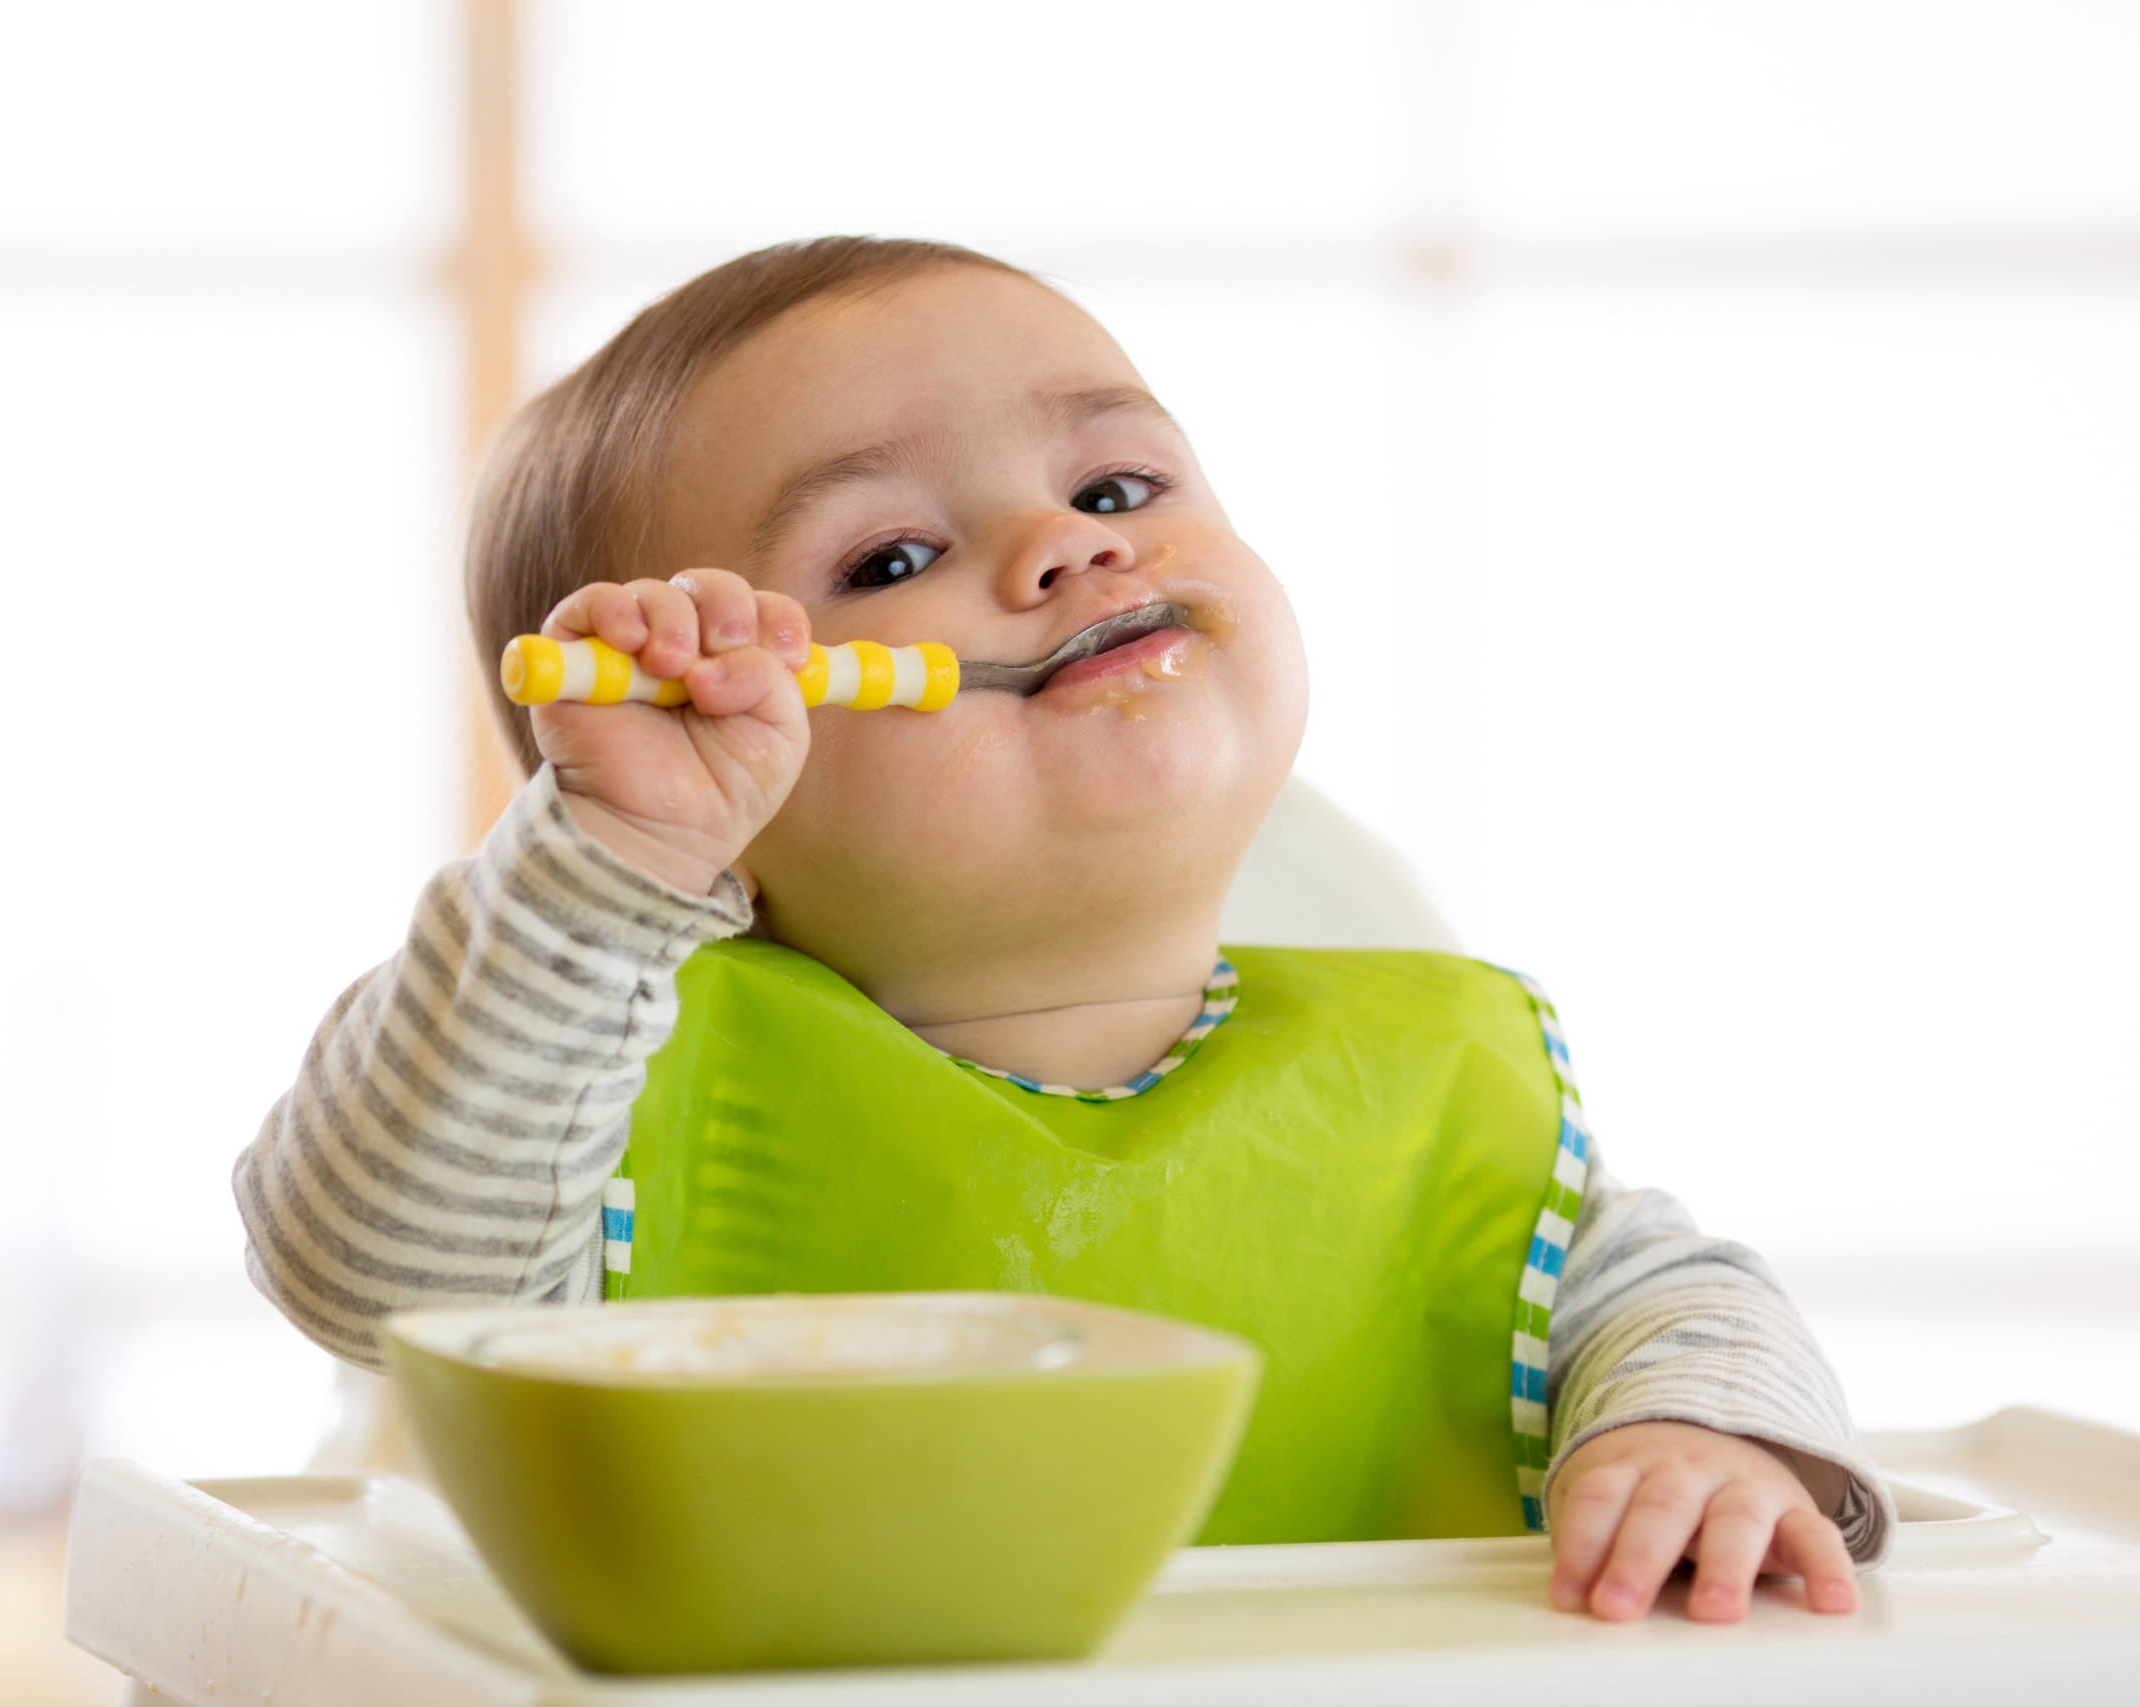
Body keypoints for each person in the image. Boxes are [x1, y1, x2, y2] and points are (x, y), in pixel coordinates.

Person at [236, 237, 1892, 1626]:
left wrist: (1701, 1449)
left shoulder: (1439, 1102)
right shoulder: (610, 1126)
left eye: (1116, 479)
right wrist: (609, 864)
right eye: (891, 554)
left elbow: (1695, 1312)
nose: (1069, 544)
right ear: (718, 778)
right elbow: (365, 1272)